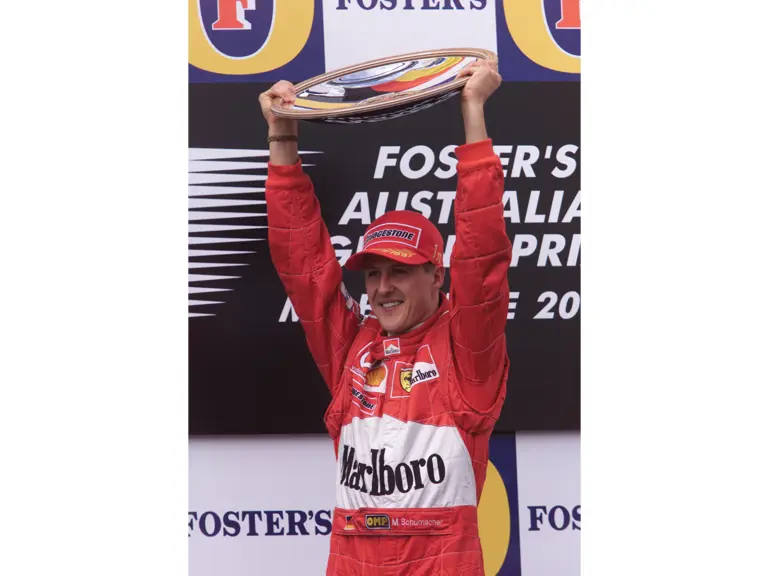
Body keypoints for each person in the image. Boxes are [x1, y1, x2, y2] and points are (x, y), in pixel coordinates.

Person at [260, 59, 511, 575]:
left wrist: (473, 114)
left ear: (436, 276)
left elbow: (482, 259)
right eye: (371, 274)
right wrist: (282, 137)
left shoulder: (468, 354)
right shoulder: (352, 348)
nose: (381, 288)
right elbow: (302, 263)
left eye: (398, 272)